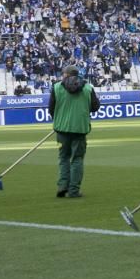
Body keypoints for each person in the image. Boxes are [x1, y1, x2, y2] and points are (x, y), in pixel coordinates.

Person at [49, 64, 100, 198]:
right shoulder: (88, 88)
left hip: (62, 129)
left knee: (63, 158)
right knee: (77, 159)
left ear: (66, 74)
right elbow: (95, 107)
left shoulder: (56, 87)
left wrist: (59, 119)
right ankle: (73, 190)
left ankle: (62, 186)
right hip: (80, 128)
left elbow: (51, 109)